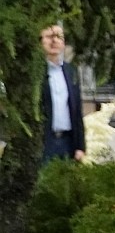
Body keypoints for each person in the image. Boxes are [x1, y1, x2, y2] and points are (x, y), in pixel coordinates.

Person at [40, 25, 85, 164]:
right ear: (40, 42)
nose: (54, 41)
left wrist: (80, 147)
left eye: (59, 37)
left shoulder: (71, 71)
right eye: (49, 37)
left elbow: (77, 111)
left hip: (68, 143)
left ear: (64, 43)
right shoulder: (36, 73)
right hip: (44, 142)